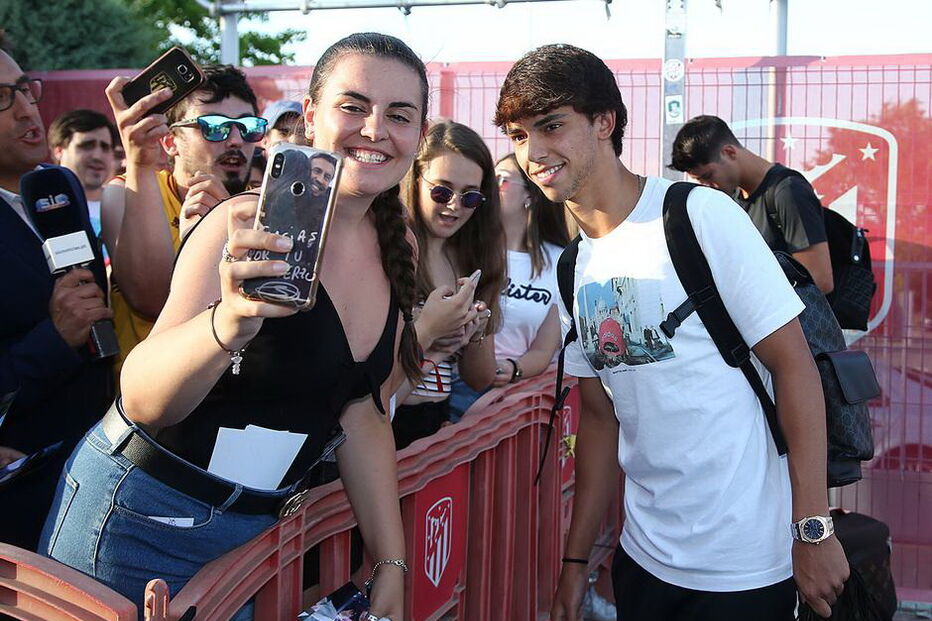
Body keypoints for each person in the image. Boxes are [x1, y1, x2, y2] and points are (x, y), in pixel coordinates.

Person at [40, 33, 429, 620]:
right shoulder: (240, 225)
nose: (374, 130)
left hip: (258, 538)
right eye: (353, 106)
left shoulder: (399, 246)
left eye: (399, 115)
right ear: (311, 116)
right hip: (139, 521)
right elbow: (140, 400)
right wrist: (229, 322)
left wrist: (391, 560)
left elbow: (362, 410)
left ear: (419, 134)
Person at [495, 44, 849, 621]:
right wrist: (575, 563)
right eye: (517, 134)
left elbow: (794, 367)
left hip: (743, 565)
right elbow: (600, 419)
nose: (532, 152)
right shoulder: (572, 266)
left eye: (551, 125)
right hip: (644, 560)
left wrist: (813, 528)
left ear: (604, 121)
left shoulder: (697, 215)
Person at [0, 50, 113, 551]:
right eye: (3, 98)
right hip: (21, 500)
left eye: (26, 89)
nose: (27, 109)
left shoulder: (57, 185)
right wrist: (55, 338)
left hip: (94, 467)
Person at [100, 65, 266, 376]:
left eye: (248, 127)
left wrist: (223, 218)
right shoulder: (125, 192)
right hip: (150, 390)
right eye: (213, 127)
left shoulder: (261, 205)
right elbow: (152, 301)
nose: (235, 140)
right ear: (169, 141)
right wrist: (206, 237)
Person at [391, 119, 505, 447]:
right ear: (415, 179)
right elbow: (370, 382)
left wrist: (475, 330)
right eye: (441, 191)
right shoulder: (389, 248)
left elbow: (480, 378)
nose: (454, 205)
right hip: (382, 427)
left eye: (470, 197)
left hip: (433, 425)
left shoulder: (473, 260)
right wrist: (431, 333)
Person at [448, 152, 569, 418]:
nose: (490, 188)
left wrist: (513, 368)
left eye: (501, 180)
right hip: (458, 386)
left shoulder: (560, 262)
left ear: (531, 195)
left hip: (520, 394)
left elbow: (544, 348)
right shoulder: (466, 249)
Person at [669, 114, 833, 294]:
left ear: (729, 152)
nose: (707, 186)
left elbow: (820, 280)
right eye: (700, 181)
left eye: (708, 176)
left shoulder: (788, 191)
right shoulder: (734, 199)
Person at [48, 109, 118, 242]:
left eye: (105, 147)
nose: (97, 156)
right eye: (87, 146)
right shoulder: (41, 208)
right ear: (59, 151)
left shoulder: (125, 205)